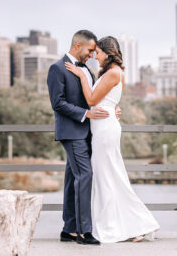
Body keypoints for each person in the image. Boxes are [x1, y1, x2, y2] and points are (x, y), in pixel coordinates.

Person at [65, 35, 160, 243]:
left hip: (105, 129)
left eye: (97, 53)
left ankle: (137, 224)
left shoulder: (113, 73)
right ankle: (129, 225)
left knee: (108, 177)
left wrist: (81, 75)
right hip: (103, 126)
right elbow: (106, 101)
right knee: (107, 176)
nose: (95, 57)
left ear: (107, 53)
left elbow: (91, 99)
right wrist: (112, 109)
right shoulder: (113, 72)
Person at [47, 30, 121, 245]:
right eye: (89, 50)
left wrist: (110, 109)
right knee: (85, 175)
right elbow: (58, 103)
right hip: (71, 132)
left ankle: (69, 229)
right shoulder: (57, 68)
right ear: (77, 46)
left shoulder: (87, 69)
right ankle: (83, 231)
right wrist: (86, 114)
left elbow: (94, 98)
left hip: (88, 131)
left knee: (72, 179)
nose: (91, 55)